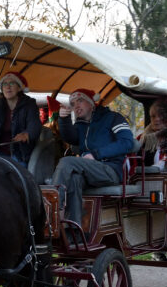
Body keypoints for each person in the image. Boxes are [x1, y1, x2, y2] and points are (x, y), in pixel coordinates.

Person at [52, 88, 136, 228]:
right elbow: (70, 138)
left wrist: (96, 154)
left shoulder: (113, 118)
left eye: (80, 100)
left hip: (112, 169)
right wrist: (64, 119)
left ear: (91, 103)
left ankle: (53, 208)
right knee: (74, 179)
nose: (76, 105)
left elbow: (127, 143)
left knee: (66, 162)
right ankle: (76, 230)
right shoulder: (80, 125)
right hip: (91, 172)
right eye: (72, 104)